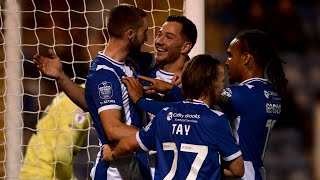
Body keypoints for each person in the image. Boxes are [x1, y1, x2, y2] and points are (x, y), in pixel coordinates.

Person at [102, 54, 244, 179]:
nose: (223, 86)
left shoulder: (165, 115)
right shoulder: (217, 120)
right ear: (211, 85)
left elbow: (127, 145)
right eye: (221, 81)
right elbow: (238, 170)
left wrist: (112, 153)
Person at [219, 29, 288, 180]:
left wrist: (173, 89)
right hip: (256, 172)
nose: (226, 62)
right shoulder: (271, 93)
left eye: (230, 55)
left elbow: (202, 95)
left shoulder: (243, 95)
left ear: (246, 58)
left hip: (241, 175)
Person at [19, 88, 90, 180]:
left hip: (34, 171)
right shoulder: (79, 102)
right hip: (47, 174)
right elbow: (62, 154)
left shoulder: (70, 94)